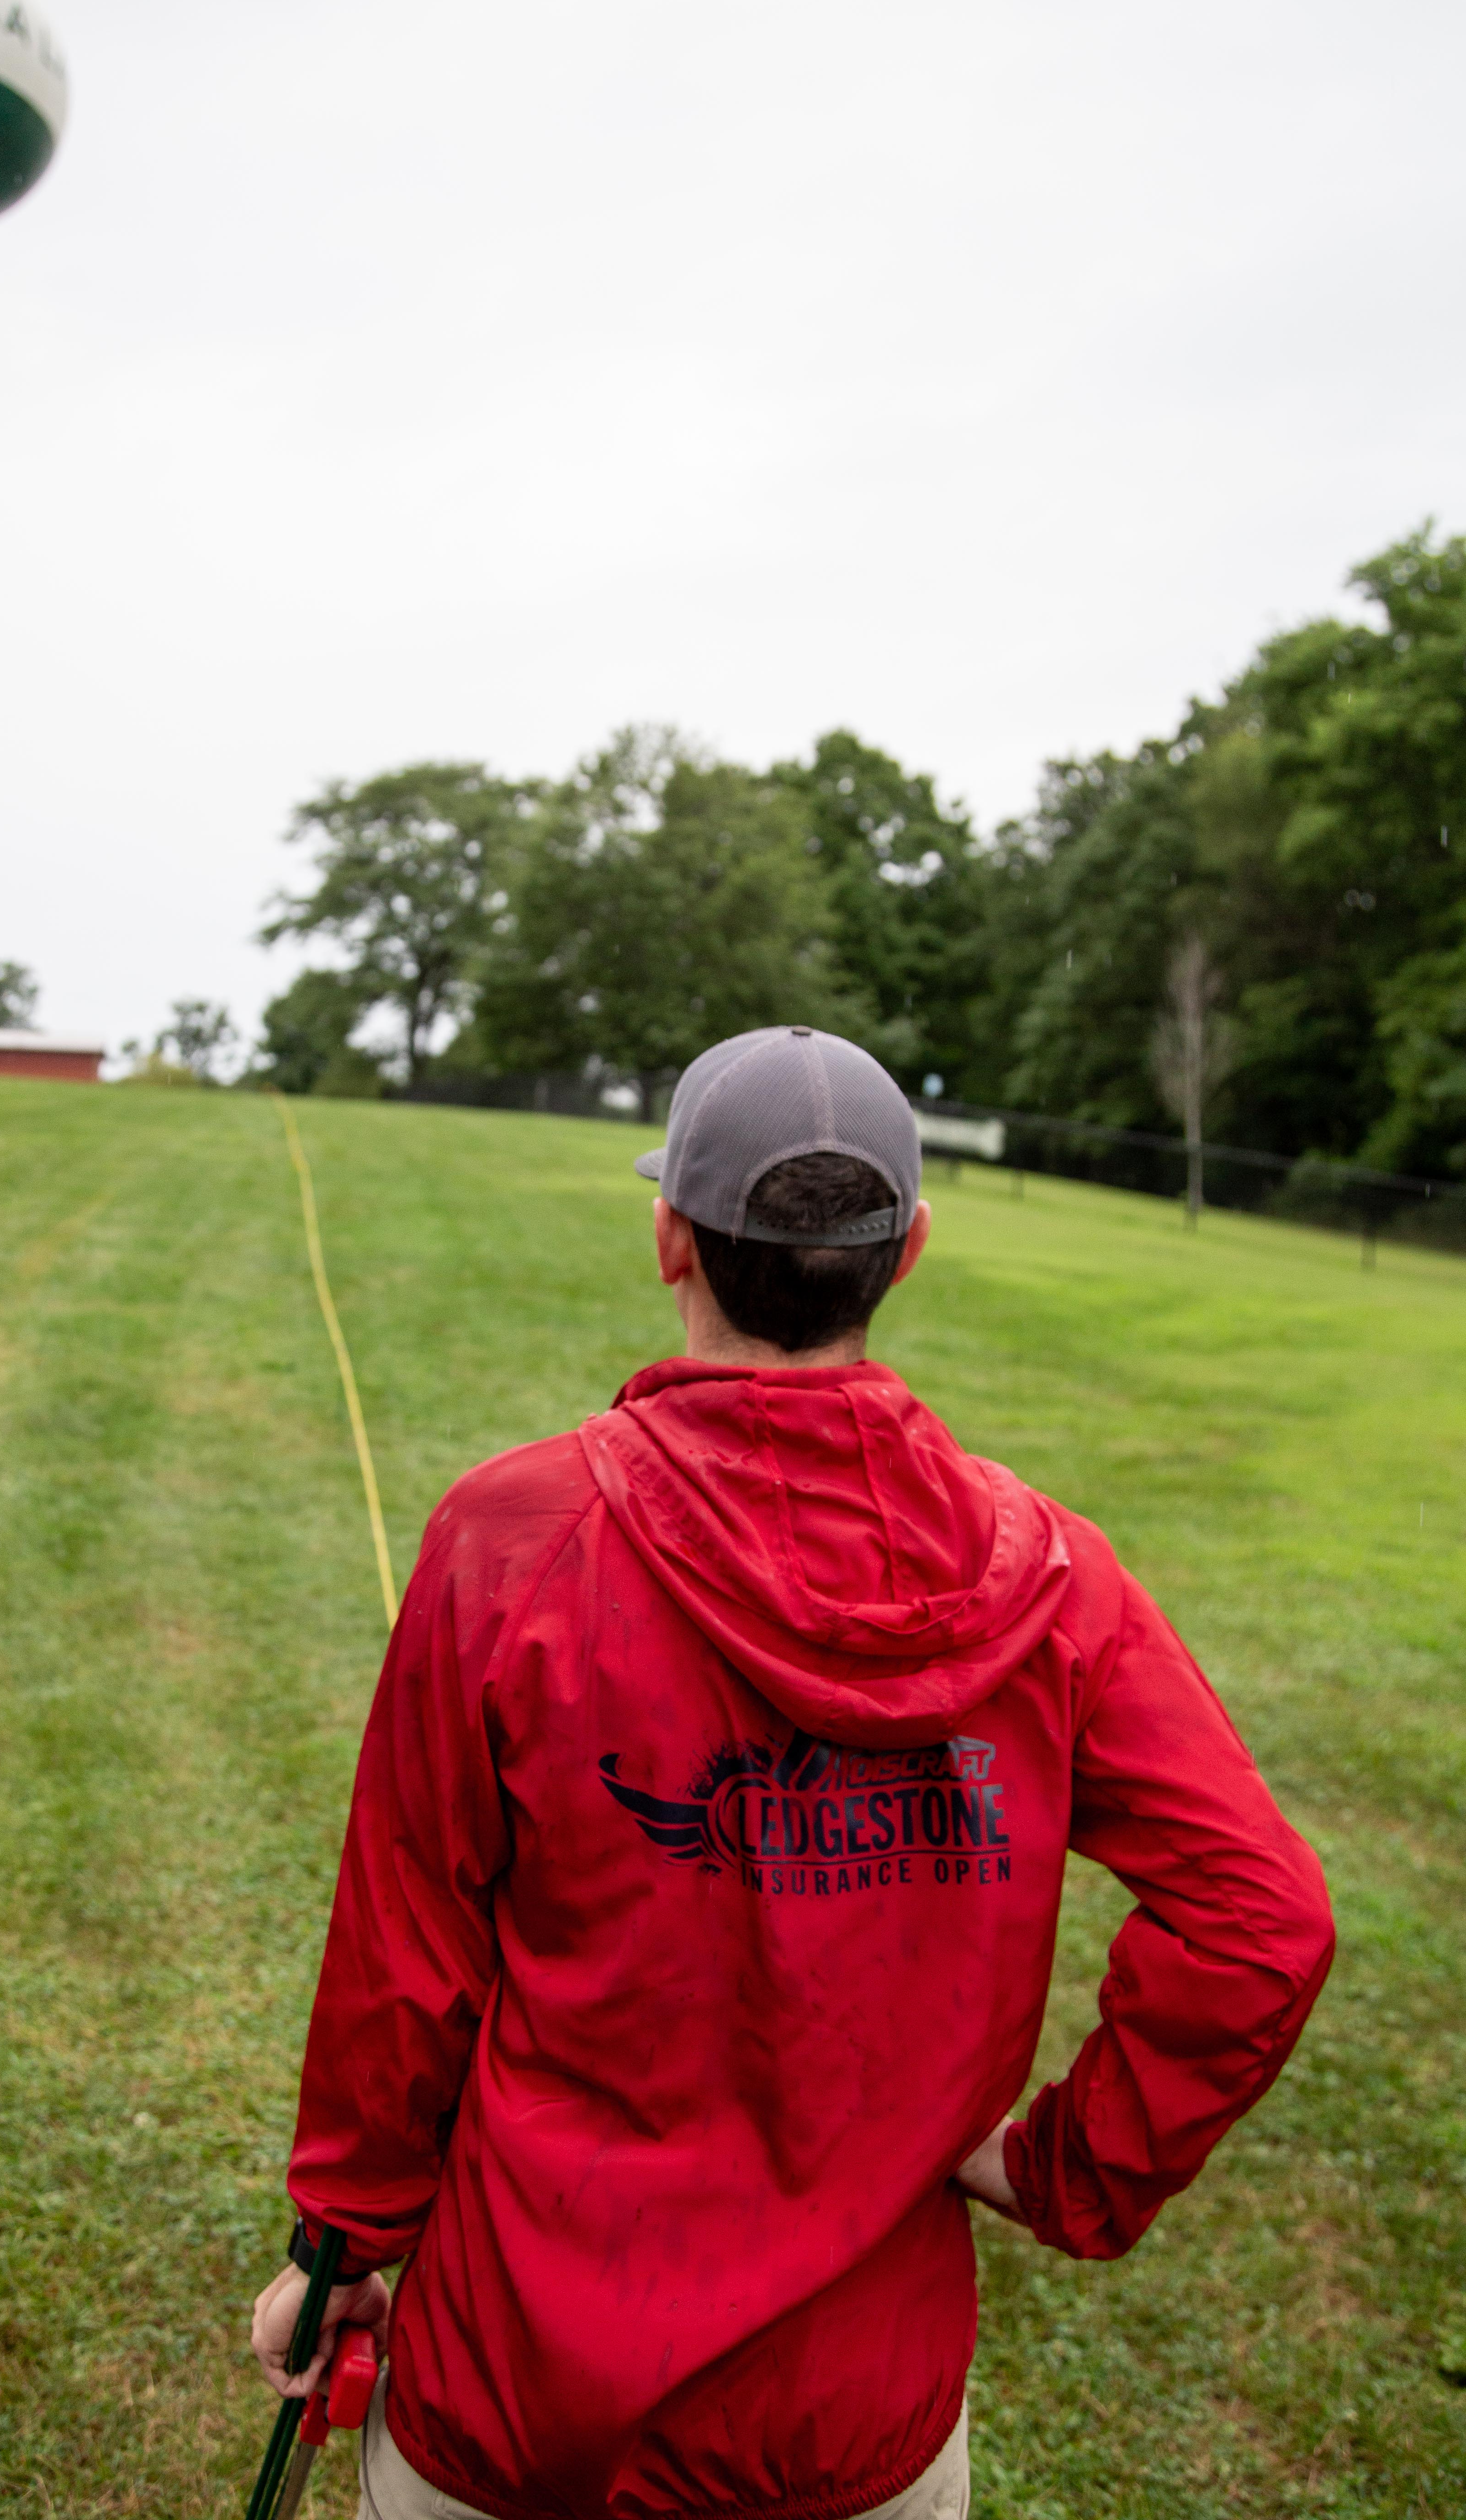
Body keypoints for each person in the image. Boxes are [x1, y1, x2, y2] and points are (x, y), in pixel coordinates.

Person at [251, 1026, 1333, 2520]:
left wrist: (341, 2248)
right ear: (909, 1252)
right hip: (833, 2432)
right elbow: (1264, 1919)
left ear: (669, 1238)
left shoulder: (513, 1538)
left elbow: (401, 1957)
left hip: (523, 2400)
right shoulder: (1058, 1576)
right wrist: (1067, 2168)